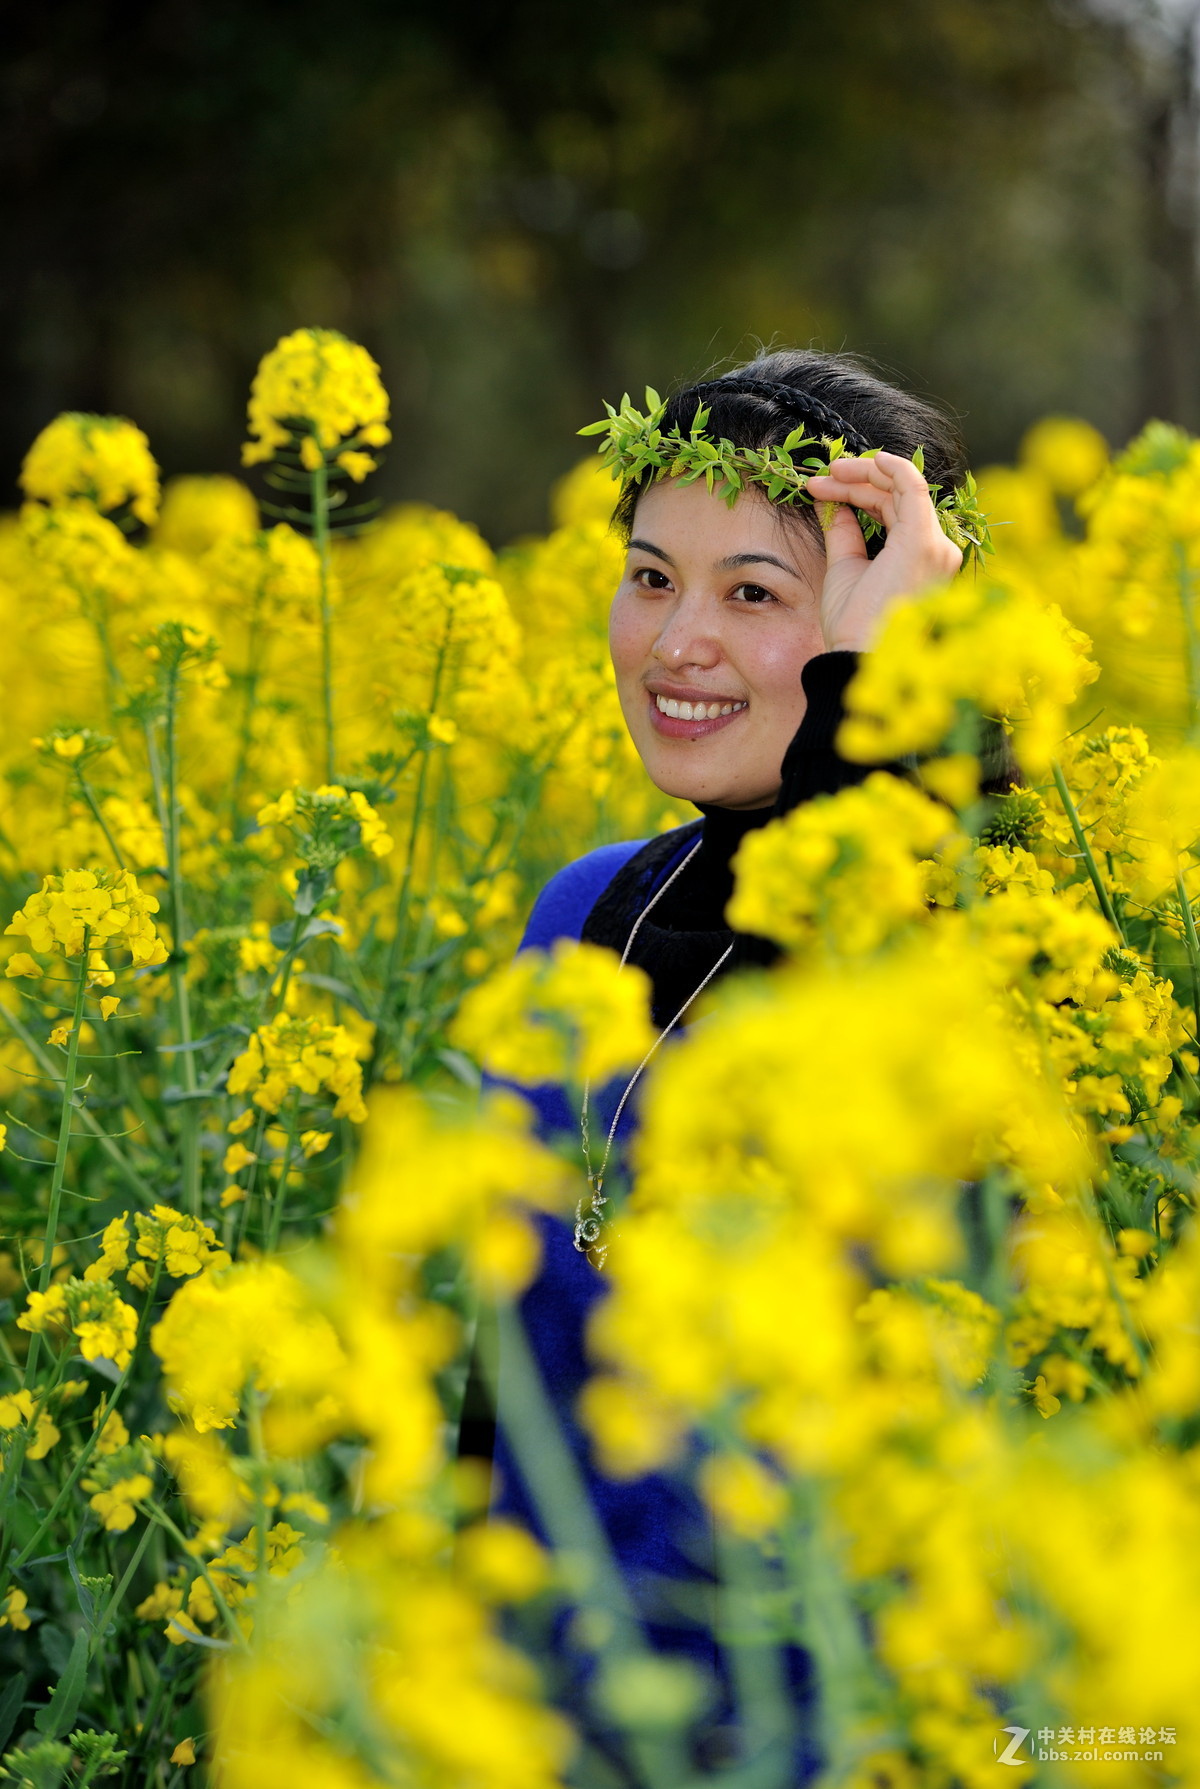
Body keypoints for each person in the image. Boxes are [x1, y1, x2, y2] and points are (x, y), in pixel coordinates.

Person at [477, 348, 982, 1770]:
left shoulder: (966, 942)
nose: (675, 640)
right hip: (574, 1714)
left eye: (756, 594)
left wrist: (880, 712)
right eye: (651, 576)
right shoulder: (584, 911)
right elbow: (512, 1367)